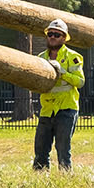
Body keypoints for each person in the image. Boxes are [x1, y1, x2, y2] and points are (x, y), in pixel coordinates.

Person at [34, 18, 85, 171]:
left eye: (56, 34)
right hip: (47, 109)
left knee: (63, 148)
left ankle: (65, 178)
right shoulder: (40, 58)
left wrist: (63, 73)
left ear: (64, 38)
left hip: (66, 108)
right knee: (41, 147)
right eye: (50, 34)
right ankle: (39, 178)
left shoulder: (73, 57)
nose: (52, 37)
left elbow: (80, 82)